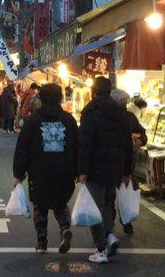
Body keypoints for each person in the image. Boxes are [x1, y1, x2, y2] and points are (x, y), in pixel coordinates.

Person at [13, 84, 78, 254]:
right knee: (60, 203)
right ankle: (64, 228)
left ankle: (42, 243)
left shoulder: (33, 120)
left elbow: (23, 148)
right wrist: (79, 170)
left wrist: (18, 174)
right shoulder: (68, 120)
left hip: (39, 170)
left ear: (41, 98)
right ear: (60, 98)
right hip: (65, 169)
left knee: (40, 206)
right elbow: (78, 146)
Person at [79, 77, 133, 264]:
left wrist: (82, 170)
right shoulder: (120, 112)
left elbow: (86, 143)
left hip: (96, 167)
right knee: (108, 203)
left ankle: (101, 249)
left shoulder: (90, 111)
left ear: (93, 91)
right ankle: (109, 235)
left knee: (95, 208)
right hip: (116, 167)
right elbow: (128, 142)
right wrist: (128, 169)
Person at [111, 89, 148, 235]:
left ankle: (126, 221)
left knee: (126, 193)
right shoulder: (105, 118)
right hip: (112, 163)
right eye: (123, 103)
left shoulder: (130, 117)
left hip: (127, 162)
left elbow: (143, 134)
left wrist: (140, 140)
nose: (125, 106)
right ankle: (110, 225)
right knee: (109, 197)